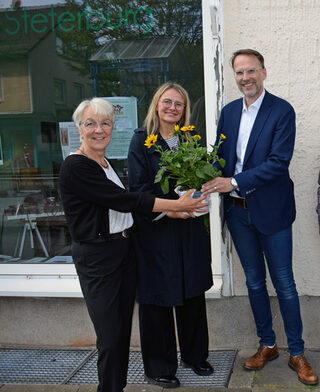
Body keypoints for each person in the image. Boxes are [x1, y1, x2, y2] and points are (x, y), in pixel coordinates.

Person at [58, 97, 208, 392]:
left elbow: (124, 206)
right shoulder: (76, 166)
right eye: (90, 124)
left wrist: (173, 209)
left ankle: (116, 386)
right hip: (99, 257)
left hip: (122, 252)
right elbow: (126, 200)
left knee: (121, 332)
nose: (99, 130)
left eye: (105, 123)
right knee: (111, 336)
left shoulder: (104, 163)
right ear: (79, 128)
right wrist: (174, 204)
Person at [201, 49, 318, 386]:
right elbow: (220, 158)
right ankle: (268, 344)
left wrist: (234, 181)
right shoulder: (228, 113)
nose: (245, 78)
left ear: (263, 73)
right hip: (237, 214)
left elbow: (278, 161)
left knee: (284, 282)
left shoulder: (281, 111)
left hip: (272, 212)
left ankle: (297, 351)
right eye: (239, 72)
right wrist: (199, 178)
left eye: (250, 71)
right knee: (253, 281)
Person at [127, 82, 213, 389]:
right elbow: (137, 190)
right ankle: (158, 366)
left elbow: (202, 178)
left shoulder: (190, 139)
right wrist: (171, 208)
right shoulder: (142, 142)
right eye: (167, 102)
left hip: (188, 229)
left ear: (184, 109)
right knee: (157, 299)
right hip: (156, 230)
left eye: (178, 104)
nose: (172, 108)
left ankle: (195, 356)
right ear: (156, 104)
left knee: (191, 294)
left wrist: (197, 197)